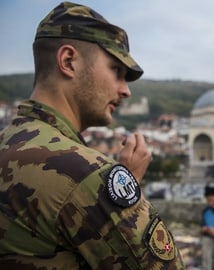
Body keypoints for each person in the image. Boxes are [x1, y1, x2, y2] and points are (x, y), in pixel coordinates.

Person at [0, 2, 184, 269]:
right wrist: (122, 188)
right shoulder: (86, 175)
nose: (125, 90)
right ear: (68, 61)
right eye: (116, 71)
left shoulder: (7, 143)